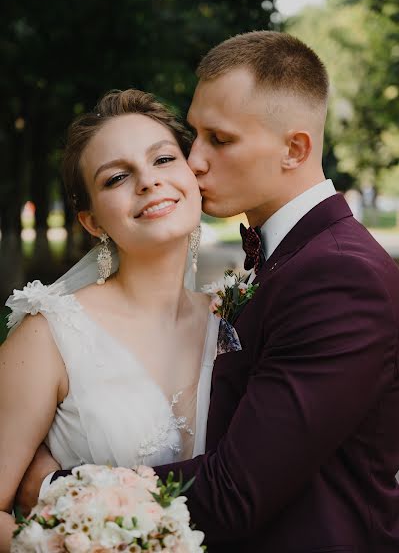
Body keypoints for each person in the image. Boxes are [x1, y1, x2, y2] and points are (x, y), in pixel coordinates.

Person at [18, 31, 399, 551]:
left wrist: (57, 489)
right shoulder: (269, 272)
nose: (193, 160)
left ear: (295, 148)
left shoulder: (339, 276)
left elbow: (235, 491)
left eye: (219, 140)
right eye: (193, 135)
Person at [0, 89, 239, 551]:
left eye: (164, 159)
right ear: (92, 223)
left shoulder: (234, 324)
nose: (149, 182)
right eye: (116, 178)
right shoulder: (50, 335)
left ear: (192, 173)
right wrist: (73, 544)